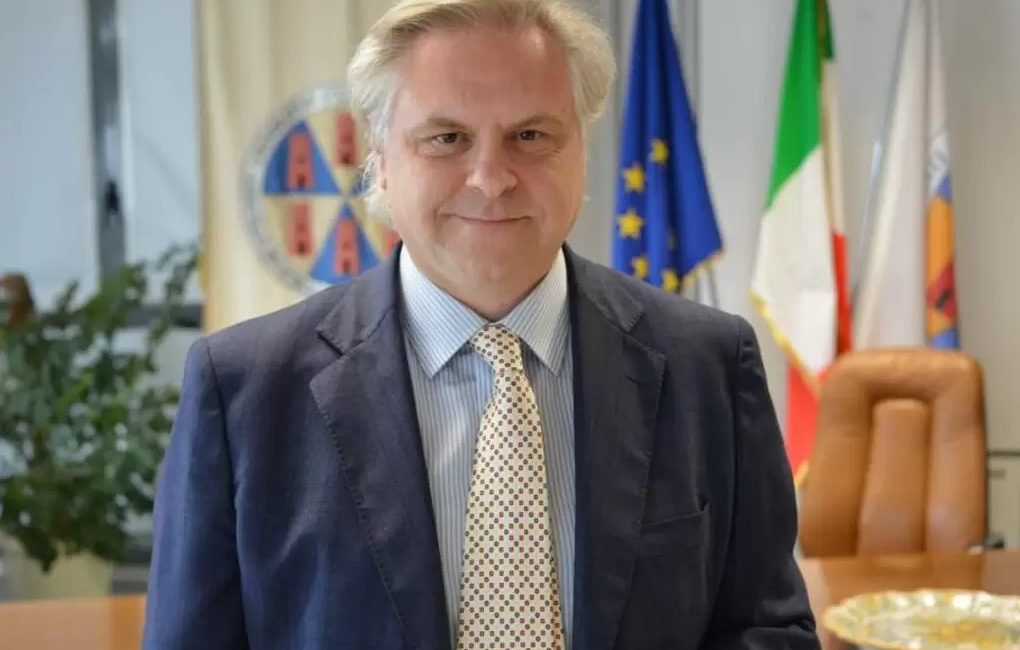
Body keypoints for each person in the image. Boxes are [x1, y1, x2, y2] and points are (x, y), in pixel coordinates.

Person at [143, 1, 819, 648]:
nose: (491, 178)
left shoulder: (710, 367)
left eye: (531, 136)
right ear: (381, 161)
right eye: (447, 139)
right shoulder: (243, 395)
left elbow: (765, 629)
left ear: (581, 152)